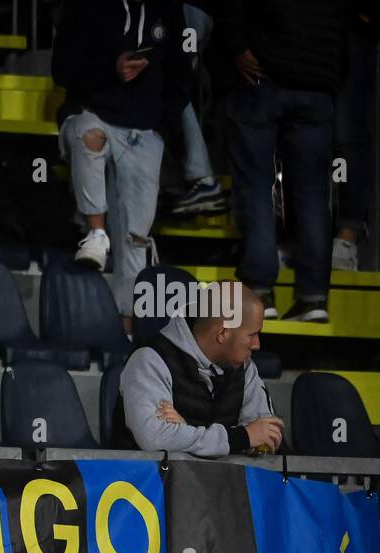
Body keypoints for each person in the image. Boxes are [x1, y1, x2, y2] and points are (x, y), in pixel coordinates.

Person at [52, 0, 191, 326]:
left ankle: (128, 327)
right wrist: (109, 68)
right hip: (94, 114)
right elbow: (62, 70)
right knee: (88, 134)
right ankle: (97, 233)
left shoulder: (168, 10)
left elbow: (182, 72)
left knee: (135, 240)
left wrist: (161, 125)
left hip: (145, 130)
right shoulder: (86, 8)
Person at [219, 0, 347, 322]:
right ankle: (314, 297)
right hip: (317, 84)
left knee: (256, 186)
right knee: (313, 196)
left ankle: (260, 290)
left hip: (264, 77)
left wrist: (237, 47)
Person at [110, 283, 283, 455]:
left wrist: (187, 430)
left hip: (218, 481)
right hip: (150, 480)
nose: (257, 345)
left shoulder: (245, 368)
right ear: (223, 333)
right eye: (252, 335)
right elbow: (155, 439)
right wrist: (241, 438)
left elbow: (266, 437)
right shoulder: (149, 361)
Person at [332, 1, 380, 272]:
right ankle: (301, 237)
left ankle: (346, 236)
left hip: (351, 30)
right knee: (306, 133)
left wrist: (362, 16)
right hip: (311, 31)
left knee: (348, 133)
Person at [166, 3, 230, 217]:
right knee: (176, 86)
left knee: (175, 85)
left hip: (190, 12)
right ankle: (178, 181)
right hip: (192, 14)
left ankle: (202, 180)